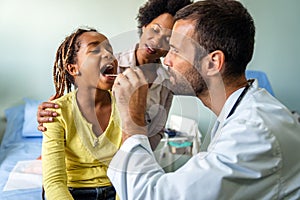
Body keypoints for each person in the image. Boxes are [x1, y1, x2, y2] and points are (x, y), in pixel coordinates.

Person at [107, 0, 300, 199]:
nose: (166, 60)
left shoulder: (253, 133)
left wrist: (133, 118)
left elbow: (150, 195)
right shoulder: (242, 112)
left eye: (175, 50)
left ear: (212, 63)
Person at [37, 0, 193, 150]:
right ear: (145, 26)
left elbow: (158, 130)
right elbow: (79, 109)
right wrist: (50, 115)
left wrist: (139, 154)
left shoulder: (166, 83)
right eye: (156, 29)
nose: (157, 41)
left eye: (168, 38)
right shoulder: (108, 65)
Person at [42, 27, 121, 200]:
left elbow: (130, 171)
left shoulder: (126, 106)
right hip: (73, 193)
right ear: (73, 69)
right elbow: (54, 182)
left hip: (118, 189)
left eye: (110, 50)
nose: (108, 55)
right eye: (95, 50)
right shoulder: (56, 112)